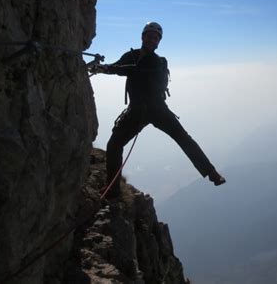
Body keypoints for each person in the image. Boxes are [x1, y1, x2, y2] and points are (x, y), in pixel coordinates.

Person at [93, 22, 226, 197]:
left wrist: (107, 69)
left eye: (155, 38)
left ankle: (212, 173)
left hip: (156, 109)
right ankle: (113, 189)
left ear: (158, 42)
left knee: (183, 139)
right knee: (114, 144)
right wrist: (101, 68)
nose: (152, 40)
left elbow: (131, 70)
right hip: (138, 111)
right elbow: (118, 67)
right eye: (150, 36)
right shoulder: (130, 56)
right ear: (143, 37)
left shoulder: (157, 62)